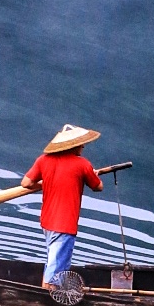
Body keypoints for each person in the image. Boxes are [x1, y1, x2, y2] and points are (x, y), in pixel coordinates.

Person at [22, 124, 103, 294]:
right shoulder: (83, 165)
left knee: (53, 259)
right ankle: (48, 296)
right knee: (57, 266)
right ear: (73, 145)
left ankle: (48, 291)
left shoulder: (43, 160)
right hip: (65, 223)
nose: (83, 146)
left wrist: (47, 180)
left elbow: (26, 183)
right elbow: (98, 187)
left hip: (47, 221)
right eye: (81, 144)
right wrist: (92, 175)